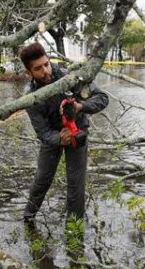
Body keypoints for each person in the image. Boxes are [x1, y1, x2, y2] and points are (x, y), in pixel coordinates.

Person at [19, 42, 109, 224]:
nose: (46, 71)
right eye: (38, 69)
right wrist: (60, 138)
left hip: (78, 135)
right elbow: (43, 132)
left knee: (76, 185)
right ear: (29, 73)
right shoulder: (30, 97)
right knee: (41, 180)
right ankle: (28, 219)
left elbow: (102, 98)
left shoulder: (71, 77)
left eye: (46, 64)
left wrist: (80, 106)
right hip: (53, 138)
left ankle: (75, 229)